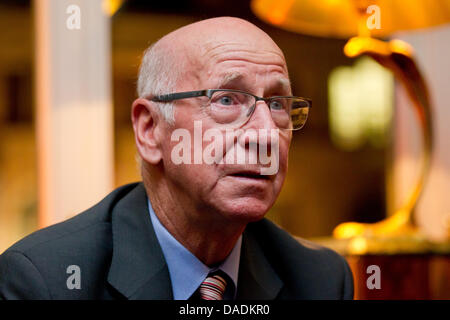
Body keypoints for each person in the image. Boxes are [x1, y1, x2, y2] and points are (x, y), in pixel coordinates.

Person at [0, 17, 353, 300]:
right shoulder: (46, 281)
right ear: (150, 129)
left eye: (277, 104)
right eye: (227, 100)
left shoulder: (320, 280)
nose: (264, 134)